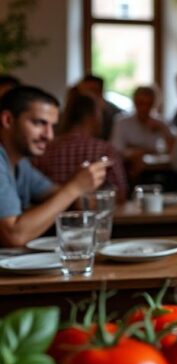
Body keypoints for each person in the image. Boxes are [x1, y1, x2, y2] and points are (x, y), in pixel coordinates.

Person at [0, 86, 108, 247]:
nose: (49, 136)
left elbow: (59, 197)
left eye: (52, 126)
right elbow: (14, 235)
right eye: (39, 123)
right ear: (8, 120)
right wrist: (75, 187)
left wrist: (81, 186)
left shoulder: (21, 164)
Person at [37, 89, 129, 200]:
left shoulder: (45, 149)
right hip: (95, 214)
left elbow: (35, 195)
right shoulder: (104, 149)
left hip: (53, 214)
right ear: (92, 117)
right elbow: (120, 193)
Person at [110, 86, 175, 160]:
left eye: (148, 104)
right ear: (134, 102)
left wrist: (162, 129)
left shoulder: (161, 123)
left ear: (154, 104)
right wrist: (146, 151)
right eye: (141, 103)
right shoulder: (122, 122)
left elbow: (173, 150)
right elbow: (117, 150)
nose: (144, 108)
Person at [77, 75, 122, 140]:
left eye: (91, 90)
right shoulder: (75, 112)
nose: (86, 95)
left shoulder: (115, 115)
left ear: (100, 92)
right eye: (83, 91)